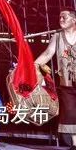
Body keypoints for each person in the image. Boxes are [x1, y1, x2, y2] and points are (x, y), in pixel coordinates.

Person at [35, 8, 76, 147]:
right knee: (70, 114)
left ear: (74, 20)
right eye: (60, 17)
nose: (61, 20)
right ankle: (75, 145)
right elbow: (48, 54)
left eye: (64, 17)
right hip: (67, 85)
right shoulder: (57, 37)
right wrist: (34, 65)